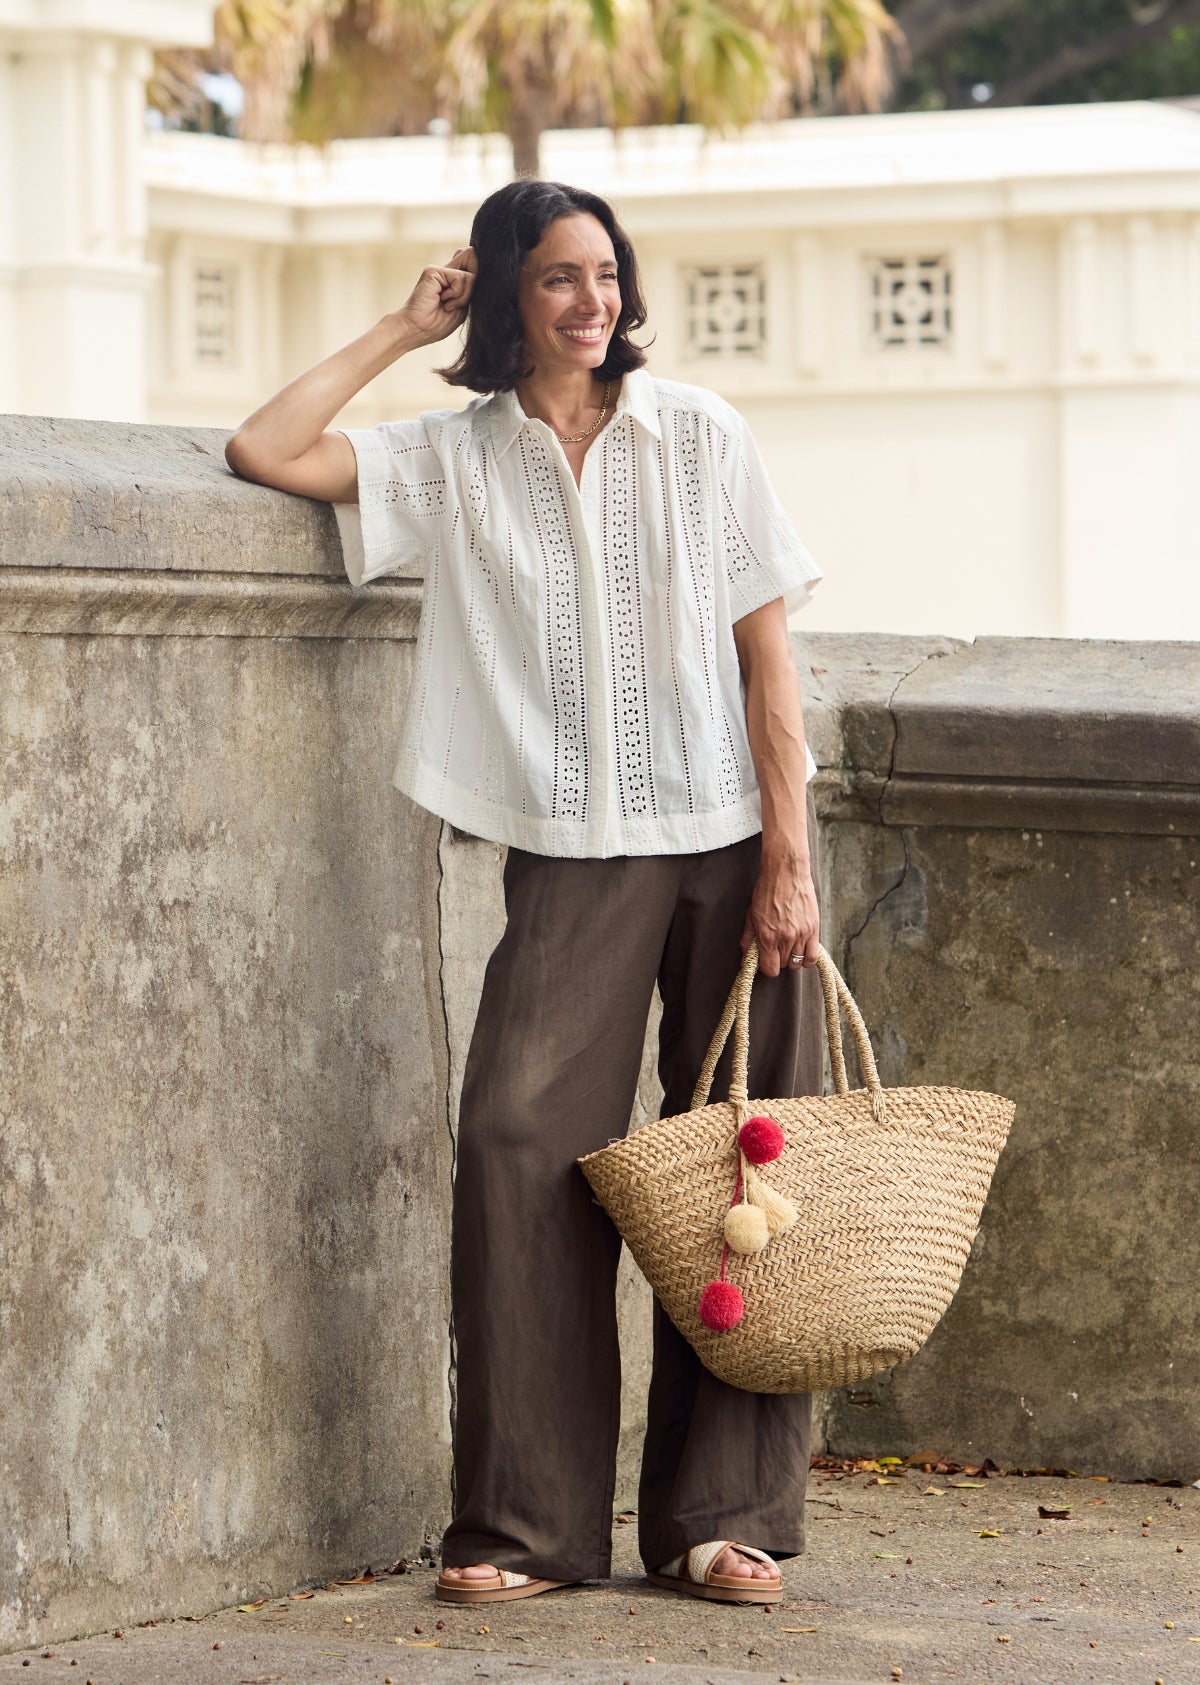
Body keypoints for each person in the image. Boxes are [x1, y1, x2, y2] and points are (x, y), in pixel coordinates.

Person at [225, 177, 825, 1607]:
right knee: (512, 1147)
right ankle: (530, 1520)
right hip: (573, 852)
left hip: (739, 837)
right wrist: (399, 324)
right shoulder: (456, 459)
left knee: (748, 1168)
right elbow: (265, 446)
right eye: (556, 278)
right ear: (506, 296)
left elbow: (768, 658)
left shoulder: (700, 435)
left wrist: (791, 854)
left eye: (605, 275)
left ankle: (723, 1514)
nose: (592, 301)